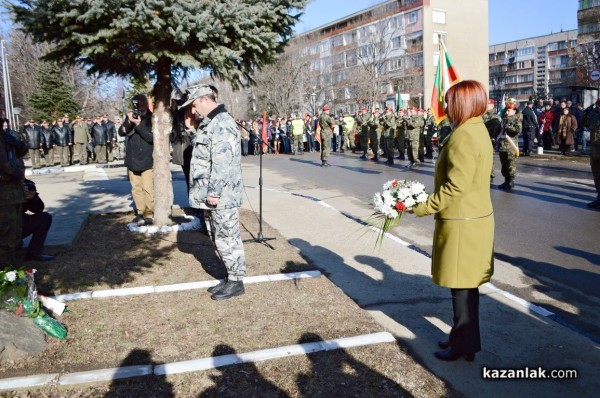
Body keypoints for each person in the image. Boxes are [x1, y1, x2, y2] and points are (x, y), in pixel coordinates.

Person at [411, 80, 494, 362]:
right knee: (465, 288)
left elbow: (454, 187)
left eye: (449, 101)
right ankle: (463, 340)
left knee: (462, 289)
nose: (445, 107)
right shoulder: (472, 128)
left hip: (463, 222)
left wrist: (421, 207)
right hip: (470, 219)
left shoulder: (465, 135)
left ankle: (462, 345)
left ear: (463, 103)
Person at [180, 84, 247, 300]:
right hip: (210, 196)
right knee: (218, 237)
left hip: (221, 196)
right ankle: (230, 276)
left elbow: (222, 162)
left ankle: (236, 281)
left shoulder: (222, 123)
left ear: (205, 100)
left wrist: (215, 192)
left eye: (194, 104)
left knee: (228, 237)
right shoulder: (210, 123)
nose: (193, 110)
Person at [119, 94, 154, 225]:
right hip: (132, 159)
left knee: (147, 188)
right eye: (137, 105)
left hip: (147, 159)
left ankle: (149, 213)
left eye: (141, 104)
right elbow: (121, 132)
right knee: (136, 188)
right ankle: (140, 212)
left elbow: (151, 138)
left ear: (145, 104)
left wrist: (139, 124)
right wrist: (128, 121)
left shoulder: (151, 118)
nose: (139, 107)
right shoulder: (131, 116)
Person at [0, 118, 27, 266]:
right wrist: (16, 170)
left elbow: (22, 150)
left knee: (15, 236)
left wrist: (16, 141)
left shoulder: (5, 135)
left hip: (14, 194)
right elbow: (4, 164)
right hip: (4, 195)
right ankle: (7, 275)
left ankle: (15, 273)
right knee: (6, 239)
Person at [21, 178, 54, 261]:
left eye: (21, 168)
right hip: (4, 228)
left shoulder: (25, 184)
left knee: (44, 218)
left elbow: (38, 209)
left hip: (17, 225)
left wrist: (32, 197)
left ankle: (34, 253)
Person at [497, 98, 522, 190]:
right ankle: (506, 181)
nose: (507, 112)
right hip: (502, 146)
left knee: (510, 164)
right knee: (504, 165)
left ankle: (511, 181)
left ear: (514, 110)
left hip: (511, 146)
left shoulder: (517, 119)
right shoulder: (504, 119)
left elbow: (517, 130)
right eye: (506, 110)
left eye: (509, 110)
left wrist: (507, 127)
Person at [583, 98, 600, 208]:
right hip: (594, 150)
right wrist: (588, 110)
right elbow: (584, 121)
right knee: (596, 175)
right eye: (598, 106)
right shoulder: (594, 115)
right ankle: (599, 197)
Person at [482, 99, 502, 182]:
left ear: (492, 105)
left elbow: (495, 129)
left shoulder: (494, 117)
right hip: (483, 140)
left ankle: (490, 176)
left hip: (490, 140)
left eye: (488, 105)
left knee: (489, 159)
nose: (486, 106)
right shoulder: (484, 115)